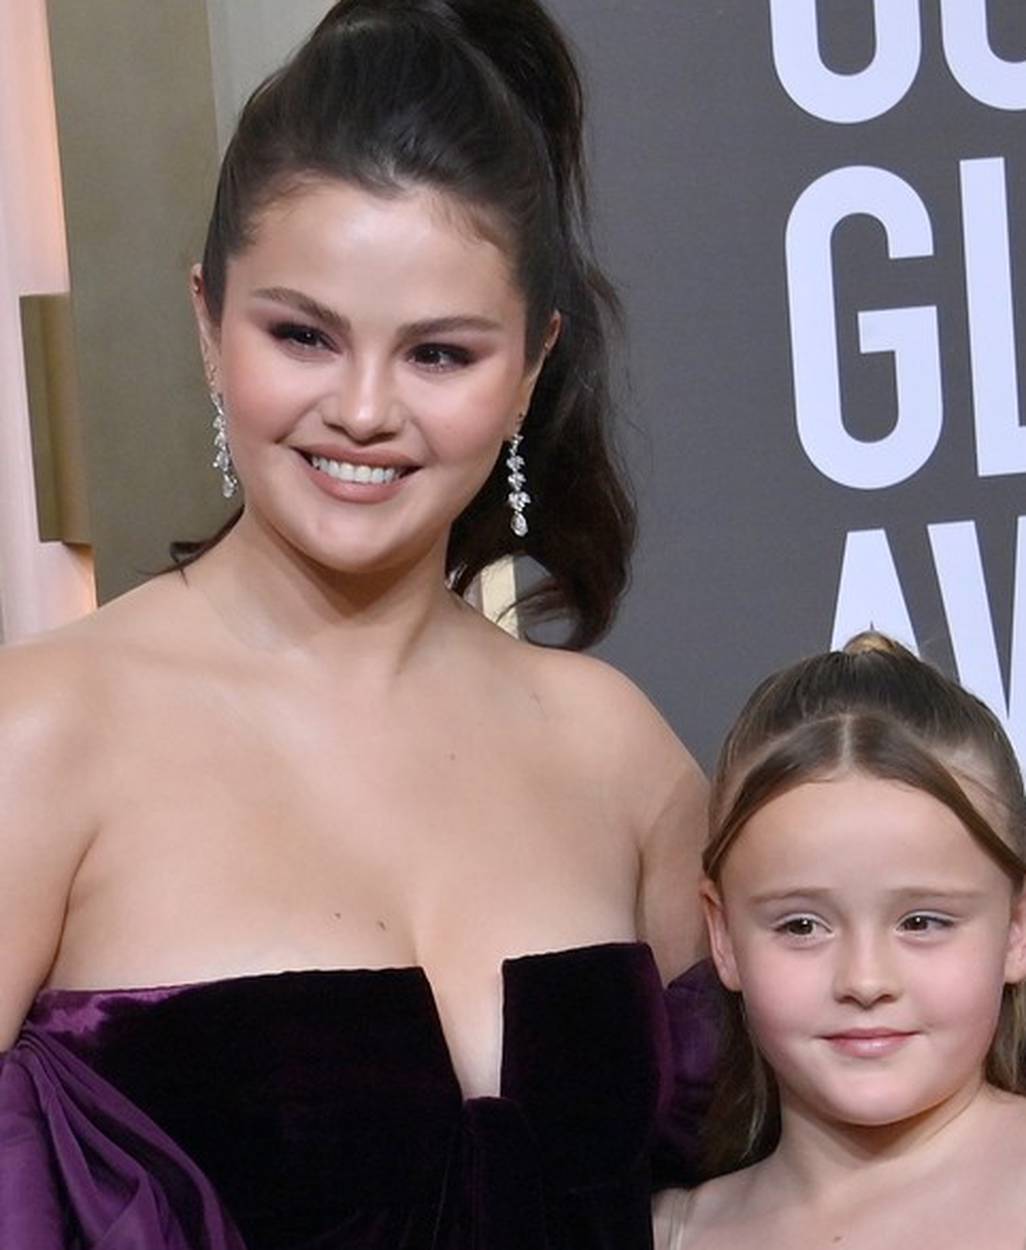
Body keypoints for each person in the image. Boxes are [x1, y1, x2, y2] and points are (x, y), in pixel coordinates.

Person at [0, 2, 711, 1247]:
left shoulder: (618, 755)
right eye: (303, 335)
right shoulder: (43, 736)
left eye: (438, 354)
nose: (365, 409)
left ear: (531, 368)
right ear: (207, 320)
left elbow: (762, 1181)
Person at [653, 632, 1026, 1250]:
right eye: (801, 926)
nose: (865, 980)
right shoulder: (672, 1233)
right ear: (722, 935)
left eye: (923, 922)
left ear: (1015, 929)